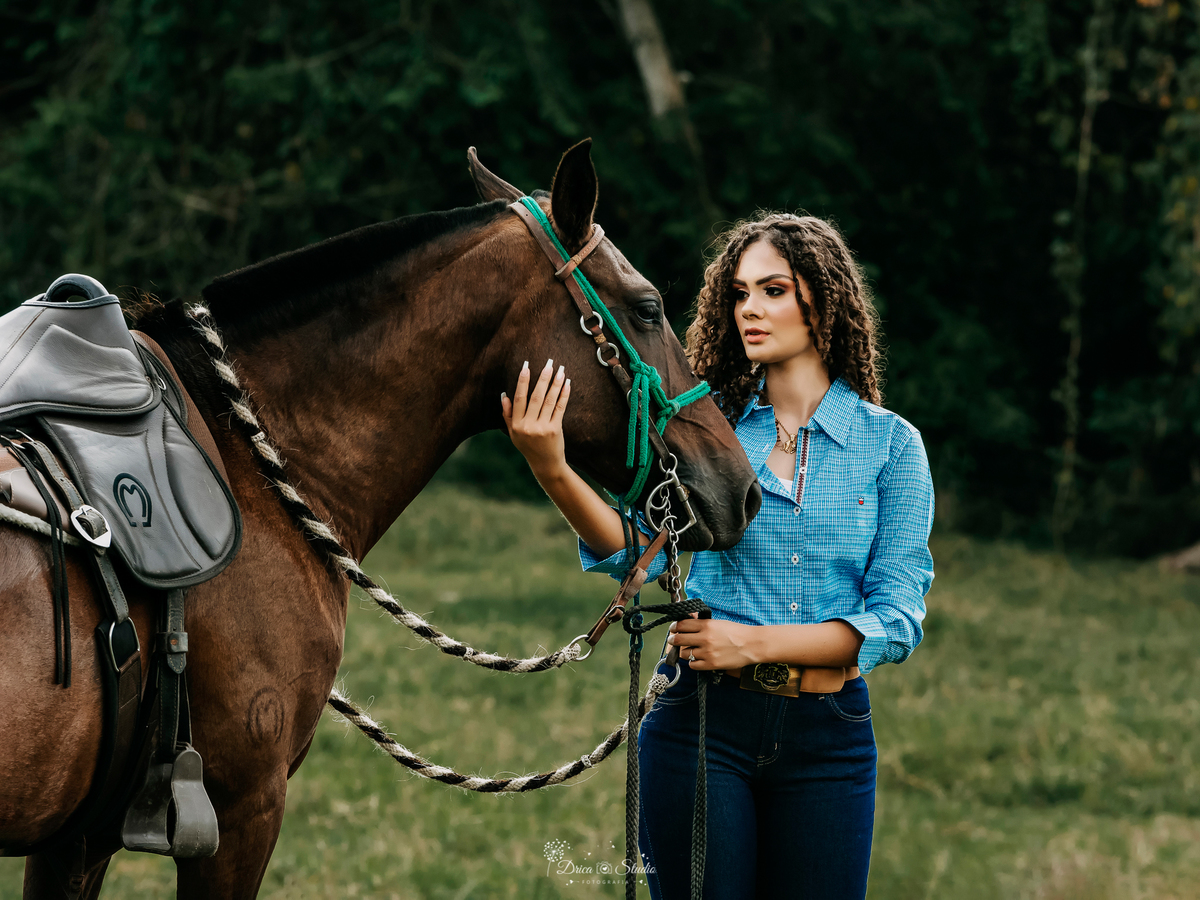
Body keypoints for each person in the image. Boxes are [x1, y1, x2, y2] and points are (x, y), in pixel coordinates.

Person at [501, 213, 934, 900]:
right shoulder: (708, 433)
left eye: (773, 290)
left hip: (830, 739)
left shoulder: (891, 446)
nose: (749, 309)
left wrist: (749, 643)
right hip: (698, 725)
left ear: (822, 300)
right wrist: (551, 467)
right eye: (739, 294)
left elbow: (897, 620)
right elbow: (637, 555)